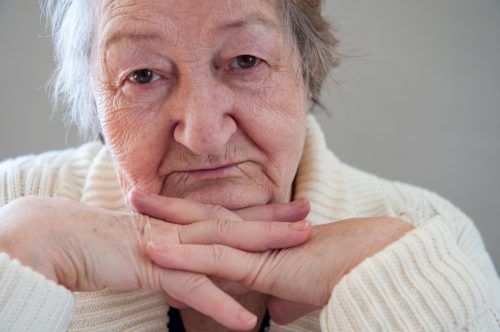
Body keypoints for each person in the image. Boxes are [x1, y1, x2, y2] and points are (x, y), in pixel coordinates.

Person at [0, 0, 498, 330]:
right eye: (144, 74)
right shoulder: (9, 203)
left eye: (244, 62)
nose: (203, 133)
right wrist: (14, 266)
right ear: (92, 100)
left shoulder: (427, 240)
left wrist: (401, 297)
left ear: (309, 68)